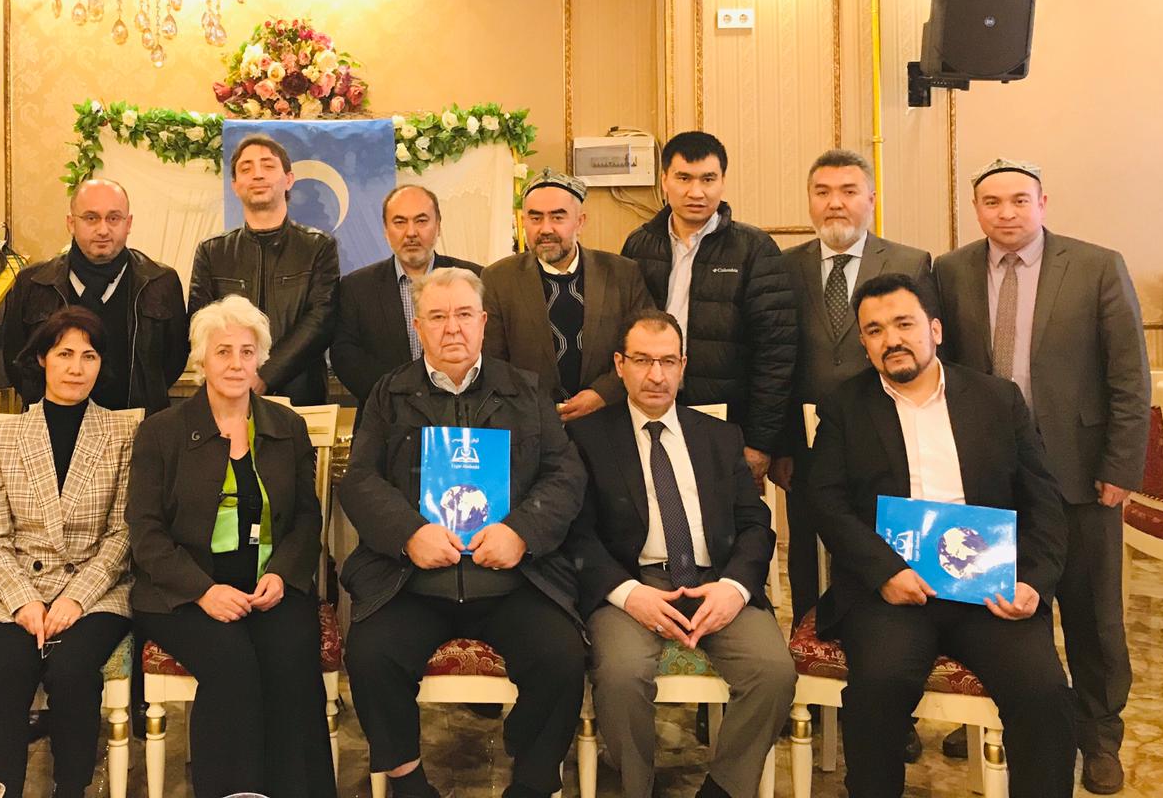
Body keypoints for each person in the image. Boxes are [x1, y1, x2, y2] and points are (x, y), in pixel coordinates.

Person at [806, 272, 1075, 798]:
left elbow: (1044, 502)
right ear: (863, 342)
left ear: (935, 329)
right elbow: (827, 503)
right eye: (875, 330)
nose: (891, 339)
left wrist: (1033, 583)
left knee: (1044, 695)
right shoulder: (844, 406)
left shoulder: (998, 399)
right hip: (892, 591)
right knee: (878, 689)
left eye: (904, 324)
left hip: (990, 592)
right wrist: (886, 573)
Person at [932, 158, 1150, 793]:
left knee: (1091, 612)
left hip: (1080, 469)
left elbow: (1129, 376)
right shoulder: (951, 270)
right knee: (992, 603)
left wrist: (1120, 466)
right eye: (992, 202)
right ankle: (993, 715)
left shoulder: (1096, 266)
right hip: (991, 472)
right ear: (976, 209)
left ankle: (1098, 735)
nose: (1007, 212)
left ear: (1043, 203)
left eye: (1019, 200)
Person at [342, 268, 587, 798]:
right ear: (418, 327)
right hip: (413, 580)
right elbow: (360, 480)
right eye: (437, 317)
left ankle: (531, 780)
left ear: (482, 322)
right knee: (370, 654)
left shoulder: (525, 388)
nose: (451, 328)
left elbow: (565, 473)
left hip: (512, 579)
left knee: (563, 655)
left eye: (463, 315)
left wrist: (521, 532)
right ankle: (407, 779)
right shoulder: (388, 393)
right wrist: (409, 533)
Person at [566, 310, 794, 798]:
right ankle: (636, 787)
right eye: (643, 360)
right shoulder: (587, 438)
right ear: (620, 364)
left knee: (774, 672)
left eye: (668, 361)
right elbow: (576, 535)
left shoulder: (719, 436)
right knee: (622, 674)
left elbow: (756, 524)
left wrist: (735, 588)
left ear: (683, 365)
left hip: (716, 580)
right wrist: (628, 594)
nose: (656, 375)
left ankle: (724, 788)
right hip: (632, 584)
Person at [126, 294, 334, 798]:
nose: (236, 363)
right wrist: (203, 591)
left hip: (269, 585)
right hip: (183, 592)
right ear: (201, 359)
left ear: (261, 358)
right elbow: (146, 532)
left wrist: (282, 574)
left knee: (290, 657)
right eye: (223, 351)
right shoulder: (161, 432)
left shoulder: (287, 426)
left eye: (247, 351)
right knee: (233, 665)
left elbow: (307, 518)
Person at [0, 306, 138, 798]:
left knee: (72, 671)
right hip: (8, 586)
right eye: (65, 354)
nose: (76, 367)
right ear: (42, 358)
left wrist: (75, 599)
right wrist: (24, 600)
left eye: (89, 356)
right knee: (8, 671)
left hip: (96, 587)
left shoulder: (123, 434)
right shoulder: (4, 436)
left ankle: (71, 788)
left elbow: (122, 535)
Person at [779, 149, 933, 624]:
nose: (835, 203)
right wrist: (781, 444)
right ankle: (809, 635)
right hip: (807, 440)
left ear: (871, 198)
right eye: (822, 192)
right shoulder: (783, 266)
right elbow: (776, 361)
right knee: (806, 548)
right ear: (809, 200)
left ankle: (887, 625)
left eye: (848, 191)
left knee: (880, 538)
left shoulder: (911, 262)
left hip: (888, 431)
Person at [621, 131, 796, 485]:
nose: (696, 192)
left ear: (723, 182)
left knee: (720, 514)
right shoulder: (639, 244)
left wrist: (760, 442)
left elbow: (776, 354)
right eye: (684, 178)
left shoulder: (755, 249)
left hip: (726, 422)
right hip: (650, 412)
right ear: (664, 180)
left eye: (708, 179)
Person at [2, 177, 188, 412]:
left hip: (139, 423)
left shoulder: (161, 283)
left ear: (128, 223)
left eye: (113, 218)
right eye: (91, 218)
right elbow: (18, 361)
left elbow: (173, 361)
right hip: (56, 423)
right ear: (71, 223)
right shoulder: (33, 283)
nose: (103, 230)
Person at [481, 169, 647, 423]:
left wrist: (602, 394)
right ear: (523, 221)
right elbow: (492, 361)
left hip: (608, 419)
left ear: (580, 222)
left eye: (558, 217)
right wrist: (539, 408)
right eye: (535, 218)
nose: (545, 228)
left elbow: (643, 349)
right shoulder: (498, 279)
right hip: (530, 423)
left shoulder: (622, 274)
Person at [188, 135, 340, 406]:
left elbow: (321, 321)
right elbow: (201, 325)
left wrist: (264, 376)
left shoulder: (318, 246)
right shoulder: (212, 251)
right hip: (229, 394)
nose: (257, 175)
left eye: (268, 166)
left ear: (289, 179)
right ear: (235, 186)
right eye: (246, 168)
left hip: (301, 396)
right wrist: (240, 372)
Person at [331, 184, 481, 409]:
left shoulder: (474, 279)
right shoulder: (356, 287)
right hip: (385, 414)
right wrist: (397, 399)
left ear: (438, 226)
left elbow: (489, 349)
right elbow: (346, 356)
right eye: (400, 222)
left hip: (462, 412)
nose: (411, 233)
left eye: (421, 221)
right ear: (385, 229)